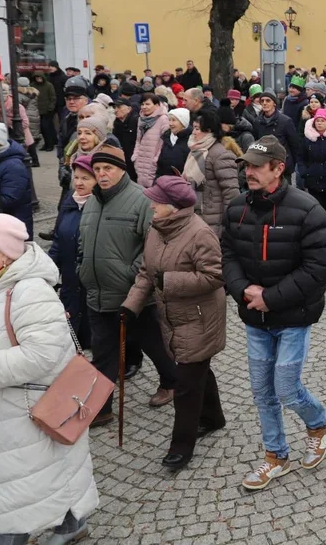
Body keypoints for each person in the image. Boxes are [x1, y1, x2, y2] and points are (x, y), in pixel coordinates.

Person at [0, 214, 98, 544]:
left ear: (4, 251)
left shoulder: (30, 291)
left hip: (26, 410)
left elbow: (40, 356)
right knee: (36, 476)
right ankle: (71, 523)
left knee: (18, 487)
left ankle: (56, 527)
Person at [221, 136, 326, 491]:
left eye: (257, 166)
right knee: (261, 391)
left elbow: (320, 266)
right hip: (255, 317)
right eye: (247, 166)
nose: (249, 173)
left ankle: (318, 424)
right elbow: (227, 255)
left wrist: (271, 297)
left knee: (286, 389)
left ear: (278, 169)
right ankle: (276, 456)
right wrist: (243, 291)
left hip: (293, 316)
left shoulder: (307, 209)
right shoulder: (236, 208)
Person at [120, 177, 227, 471]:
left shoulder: (201, 234)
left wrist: (168, 281)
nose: (151, 204)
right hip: (173, 317)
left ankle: (181, 447)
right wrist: (131, 306)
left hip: (200, 318)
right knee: (197, 370)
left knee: (186, 383)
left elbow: (214, 276)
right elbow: (146, 273)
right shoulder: (156, 230)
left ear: (174, 207)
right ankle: (213, 418)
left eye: (157, 201)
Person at [80, 144, 177, 425]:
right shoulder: (92, 201)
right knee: (103, 353)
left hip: (132, 295)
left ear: (122, 170)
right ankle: (103, 409)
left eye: (107, 168)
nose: (102, 174)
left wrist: (129, 276)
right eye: (97, 169)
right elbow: (83, 241)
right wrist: (81, 267)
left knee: (153, 343)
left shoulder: (140, 200)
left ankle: (171, 380)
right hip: (97, 294)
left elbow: (153, 246)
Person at [49, 155, 95, 349]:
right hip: (69, 280)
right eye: (76, 177)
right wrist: (49, 268)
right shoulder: (69, 201)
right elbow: (58, 238)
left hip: (91, 281)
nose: (79, 182)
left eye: (85, 178)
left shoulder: (100, 205)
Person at [184, 109, 240, 237]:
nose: (193, 133)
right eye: (193, 128)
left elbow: (231, 193)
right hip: (195, 216)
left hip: (213, 221)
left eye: (197, 129)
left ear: (209, 131)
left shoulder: (220, 155)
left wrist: (228, 224)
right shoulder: (196, 151)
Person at [251, 93, 302, 177]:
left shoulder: (285, 121)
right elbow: (256, 142)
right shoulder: (257, 122)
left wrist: (290, 165)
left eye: (268, 101)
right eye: (262, 101)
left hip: (282, 167)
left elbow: (294, 145)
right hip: (264, 166)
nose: (264, 103)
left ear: (274, 103)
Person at [133, 94, 169, 187]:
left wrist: (156, 160)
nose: (144, 107)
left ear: (157, 105)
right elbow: (138, 140)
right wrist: (135, 156)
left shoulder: (163, 119)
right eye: (143, 104)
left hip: (153, 162)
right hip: (141, 161)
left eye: (148, 104)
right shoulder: (141, 119)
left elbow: (165, 142)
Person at [157, 108, 192, 179]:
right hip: (164, 183)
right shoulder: (166, 138)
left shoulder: (190, 141)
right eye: (169, 120)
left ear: (183, 122)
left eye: (174, 120)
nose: (170, 123)